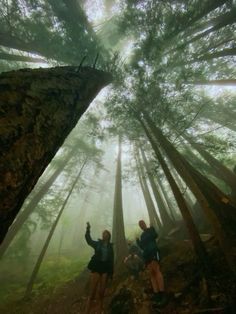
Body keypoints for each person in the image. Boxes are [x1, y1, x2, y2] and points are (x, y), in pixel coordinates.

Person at [84, 222, 114, 314]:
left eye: (106, 234)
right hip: (97, 267)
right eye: (103, 234)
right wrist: (88, 229)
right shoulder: (97, 243)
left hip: (105, 269)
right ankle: (87, 311)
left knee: (102, 292)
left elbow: (112, 260)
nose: (104, 235)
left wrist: (111, 273)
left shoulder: (110, 247)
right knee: (92, 291)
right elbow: (89, 241)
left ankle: (99, 310)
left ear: (109, 236)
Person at [136, 220, 167, 306]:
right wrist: (138, 242)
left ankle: (162, 294)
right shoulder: (142, 235)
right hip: (146, 255)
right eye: (140, 225)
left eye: (142, 224)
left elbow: (155, 236)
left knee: (156, 270)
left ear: (144, 223)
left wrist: (150, 229)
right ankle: (156, 295)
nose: (141, 225)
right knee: (151, 274)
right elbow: (142, 247)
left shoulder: (151, 229)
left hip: (153, 251)